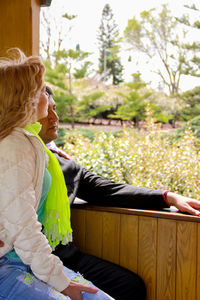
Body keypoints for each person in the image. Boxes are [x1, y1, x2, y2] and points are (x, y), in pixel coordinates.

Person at [38, 86, 200, 300]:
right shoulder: (13, 157)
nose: (55, 117)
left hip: (64, 256)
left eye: (55, 109)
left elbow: (106, 190)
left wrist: (168, 197)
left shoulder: (62, 163)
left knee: (129, 286)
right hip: (27, 259)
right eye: (45, 111)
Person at [0, 49, 114, 300]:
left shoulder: (27, 143)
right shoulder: (14, 145)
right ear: (25, 99)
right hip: (9, 265)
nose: (46, 95)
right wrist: (60, 282)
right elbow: (23, 226)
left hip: (25, 259)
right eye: (41, 90)